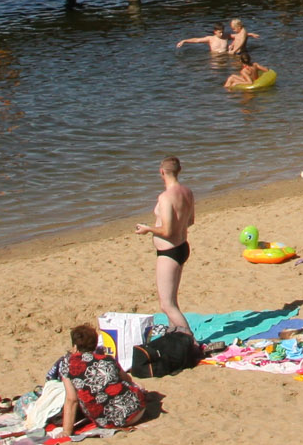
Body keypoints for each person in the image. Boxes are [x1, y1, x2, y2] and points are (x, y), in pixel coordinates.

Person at [134, 155, 194, 337]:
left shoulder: (166, 197)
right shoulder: (187, 192)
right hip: (182, 247)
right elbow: (189, 221)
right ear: (179, 170)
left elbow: (167, 231)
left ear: (161, 172)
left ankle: (190, 341)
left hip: (169, 252)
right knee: (172, 301)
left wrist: (148, 229)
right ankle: (174, 335)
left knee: (166, 304)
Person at [54, 323, 148, 435]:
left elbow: (71, 399)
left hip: (106, 421)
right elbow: (127, 379)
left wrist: (66, 431)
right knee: (131, 386)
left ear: (75, 347)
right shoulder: (108, 359)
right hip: (136, 413)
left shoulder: (68, 365)